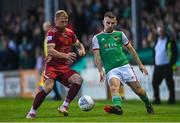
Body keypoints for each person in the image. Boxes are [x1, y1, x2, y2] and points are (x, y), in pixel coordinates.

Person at [26, 10, 85, 119]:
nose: (64, 23)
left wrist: (81, 49)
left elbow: (78, 44)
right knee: (48, 88)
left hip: (63, 67)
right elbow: (51, 51)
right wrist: (66, 56)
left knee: (78, 80)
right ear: (56, 20)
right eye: (62, 21)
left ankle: (64, 106)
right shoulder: (51, 33)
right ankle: (32, 111)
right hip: (52, 66)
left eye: (66, 21)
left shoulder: (70, 33)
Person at [92, 12, 154, 115]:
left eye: (112, 23)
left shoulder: (120, 34)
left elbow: (131, 50)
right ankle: (118, 108)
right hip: (111, 69)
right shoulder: (97, 38)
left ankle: (148, 104)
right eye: (108, 23)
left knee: (138, 90)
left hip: (124, 66)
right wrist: (100, 70)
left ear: (115, 23)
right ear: (103, 22)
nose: (110, 25)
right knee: (113, 87)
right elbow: (97, 55)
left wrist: (140, 65)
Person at [152, 25, 178, 104]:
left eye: (162, 31)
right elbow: (154, 52)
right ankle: (157, 99)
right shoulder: (156, 40)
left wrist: (171, 64)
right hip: (158, 66)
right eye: (159, 31)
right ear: (158, 32)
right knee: (155, 82)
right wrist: (154, 63)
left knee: (169, 83)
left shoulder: (170, 40)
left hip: (167, 65)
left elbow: (175, 53)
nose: (161, 33)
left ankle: (171, 99)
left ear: (165, 32)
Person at [42, 21, 61, 100]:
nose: (45, 28)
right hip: (49, 61)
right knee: (52, 79)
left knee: (51, 79)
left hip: (54, 60)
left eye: (47, 26)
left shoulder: (53, 36)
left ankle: (57, 95)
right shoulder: (46, 37)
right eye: (44, 27)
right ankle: (57, 95)